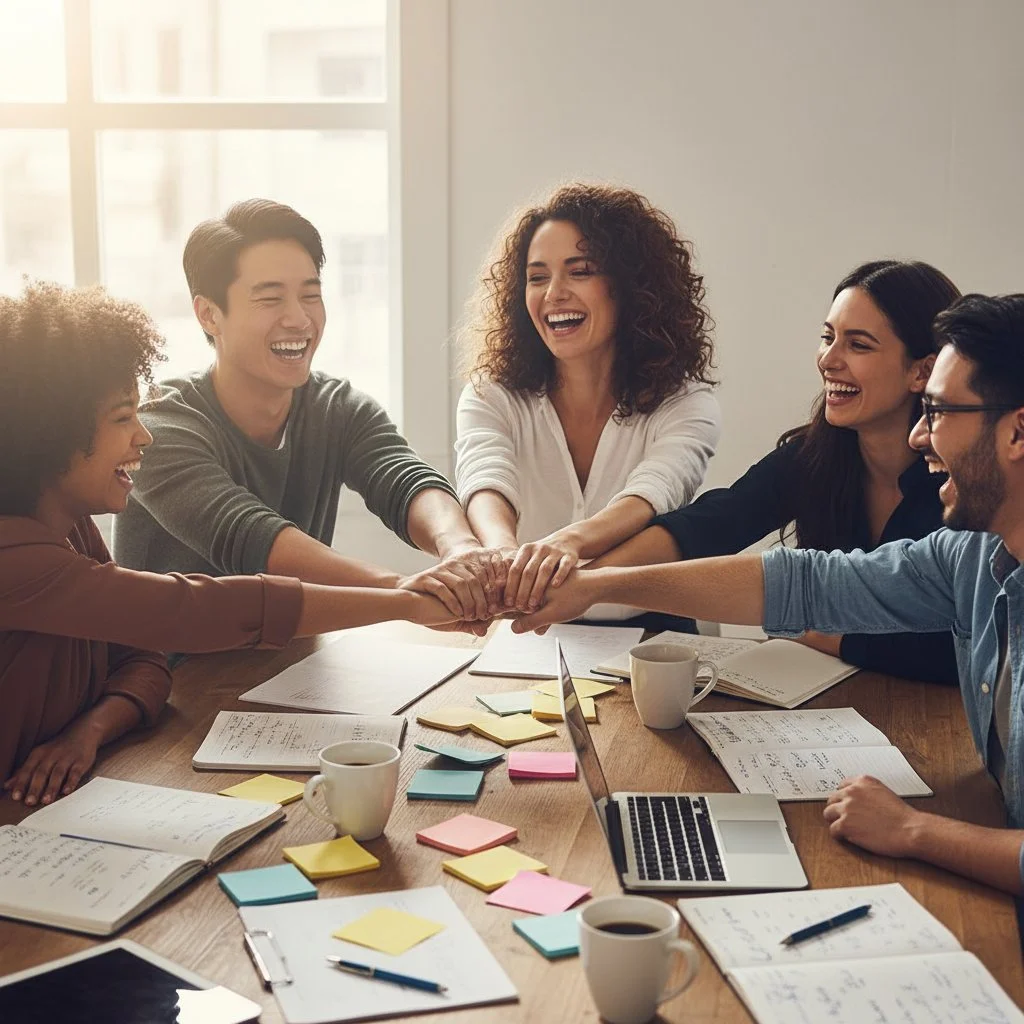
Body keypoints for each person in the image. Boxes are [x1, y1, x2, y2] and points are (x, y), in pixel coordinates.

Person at [512, 292, 1024, 899]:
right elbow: (797, 581)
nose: (919, 436)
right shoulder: (971, 555)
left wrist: (914, 830)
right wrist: (590, 588)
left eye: (937, 412)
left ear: (1017, 432)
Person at [0, 283, 457, 807]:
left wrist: (89, 730)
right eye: (123, 418)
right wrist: (404, 602)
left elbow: (145, 661)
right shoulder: (15, 557)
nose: (142, 437)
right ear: (50, 433)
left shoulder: (71, 527)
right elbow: (190, 610)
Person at [113, 199, 500, 626]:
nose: (299, 319)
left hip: (292, 669)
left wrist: (461, 548)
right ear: (209, 314)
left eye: (310, 295)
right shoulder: (156, 425)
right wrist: (404, 593)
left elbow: (402, 478)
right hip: (169, 677)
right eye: (270, 298)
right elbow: (248, 537)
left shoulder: (338, 408)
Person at [591, 260, 960, 685]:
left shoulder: (964, 483)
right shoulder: (813, 455)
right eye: (828, 338)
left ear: (923, 371)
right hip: (821, 704)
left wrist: (823, 632)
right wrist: (584, 582)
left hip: (936, 717)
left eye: (858, 345)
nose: (829, 360)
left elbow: (949, 648)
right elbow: (712, 523)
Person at [454, 183, 721, 624]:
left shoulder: (688, 402)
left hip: (655, 632)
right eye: (537, 277)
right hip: (534, 628)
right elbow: (485, 478)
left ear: (631, 287)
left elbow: (654, 493)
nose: (553, 293)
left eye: (580, 271)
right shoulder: (490, 393)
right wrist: (502, 556)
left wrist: (567, 545)